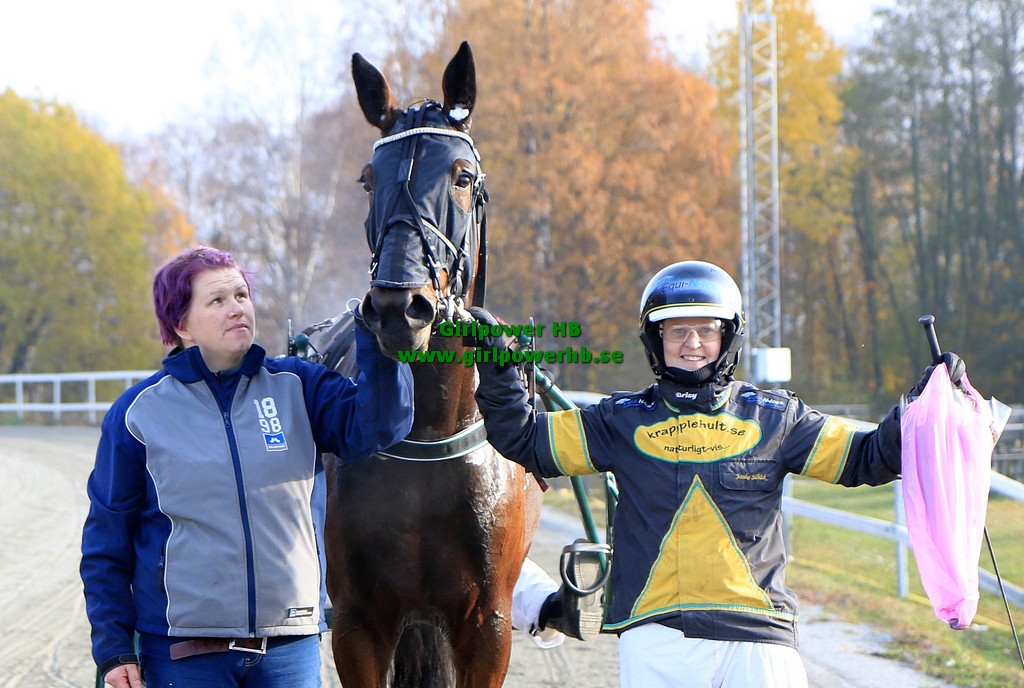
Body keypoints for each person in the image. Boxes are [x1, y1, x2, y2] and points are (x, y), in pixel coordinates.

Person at [469, 260, 964, 688]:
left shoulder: (777, 417)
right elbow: (524, 438)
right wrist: (497, 364)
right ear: (655, 339)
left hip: (759, 636)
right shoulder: (617, 420)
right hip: (656, 636)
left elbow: (868, 457)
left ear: (728, 336)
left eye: (706, 330)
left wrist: (922, 403)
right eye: (676, 331)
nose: (693, 344)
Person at [80, 246, 414, 688]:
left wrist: (380, 337)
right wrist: (113, 648)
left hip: (290, 649)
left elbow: (380, 425)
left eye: (241, 295)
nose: (237, 307)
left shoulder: (299, 386)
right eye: (217, 300)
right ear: (181, 325)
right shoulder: (136, 414)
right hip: (183, 655)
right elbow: (106, 541)